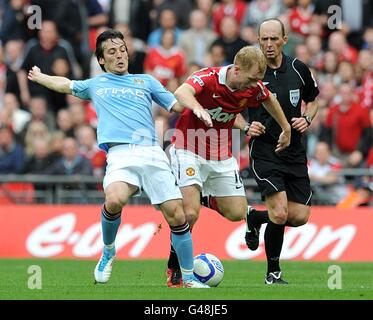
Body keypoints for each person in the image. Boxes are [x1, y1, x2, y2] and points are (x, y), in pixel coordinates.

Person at [28, 29, 212, 288]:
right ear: (102, 60)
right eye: (112, 52)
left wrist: (196, 97)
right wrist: (40, 77)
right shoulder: (96, 84)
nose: (119, 55)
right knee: (114, 199)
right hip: (120, 153)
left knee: (177, 216)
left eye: (122, 50)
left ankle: (189, 279)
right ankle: (108, 251)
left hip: (151, 153)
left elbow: (176, 105)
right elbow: (66, 84)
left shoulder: (146, 81)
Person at [165, 45, 292, 287]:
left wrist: (285, 128)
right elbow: (181, 93)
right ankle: (174, 268)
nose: (256, 84)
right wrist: (197, 107)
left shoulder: (253, 87)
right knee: (190, 214)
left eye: (259, 79)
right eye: (252, 78)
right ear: (236, 69)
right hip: (187, 148)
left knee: (236, 213)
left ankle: (199, 196)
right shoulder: (208, 78)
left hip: (221, 155)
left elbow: (270, 100)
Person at [240, 18, 319, 284]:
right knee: (281, 212)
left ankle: (254, 217)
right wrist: (246, 126)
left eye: (275, 38)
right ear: (258, 41)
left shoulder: (299, 69)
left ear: (285, 39)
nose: (269, 44)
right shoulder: (250, 71)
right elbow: (231, 108)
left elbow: (313, 101)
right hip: (265, 151)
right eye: (264, 39)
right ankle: (273, 272)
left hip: (294, 152)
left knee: (299, 216)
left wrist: (307, 118)